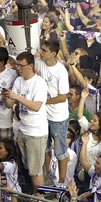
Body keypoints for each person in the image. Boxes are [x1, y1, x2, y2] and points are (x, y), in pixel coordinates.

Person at [2, 52, 49, 193]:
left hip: (36, 132)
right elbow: (10, 104)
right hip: (23, 129)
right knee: (27, 168)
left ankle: (39, 199)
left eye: (21, 66)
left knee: (35, 171)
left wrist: (17, 97)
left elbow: (36, 106)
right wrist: (5, 97)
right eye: (17, 65)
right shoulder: (18, 81)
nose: (18, 68)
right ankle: (32, 195)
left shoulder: (39, 83)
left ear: (31, 65)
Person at [35, 40, 70, 186]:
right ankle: (51, 177)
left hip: (58, 117)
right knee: (45, 147)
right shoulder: (39, 63)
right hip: (44, 116)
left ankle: (61, 182)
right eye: (41, 49)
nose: (41, 52)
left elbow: (62, 97)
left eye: (44, 50)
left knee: (60, 151)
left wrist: (43, 102)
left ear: (53, 54)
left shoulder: (61, 71)